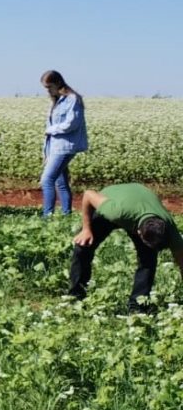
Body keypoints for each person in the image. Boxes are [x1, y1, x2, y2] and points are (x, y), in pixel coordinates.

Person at [69, 183, 183, 313]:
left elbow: (182, 261)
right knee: (82, 247)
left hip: (140, 198)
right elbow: (88, 194)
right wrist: (86, 229)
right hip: (113, 198)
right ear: (139, 233)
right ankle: (76, 297)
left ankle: (138, 306)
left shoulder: (169, 229)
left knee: (148, 259)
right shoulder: (116, 211)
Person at [41, 70, 88, 217]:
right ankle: (66, 215)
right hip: (55, 146)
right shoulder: (57, 100)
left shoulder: (72, 99)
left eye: (49, 87)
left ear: (58, 83)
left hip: (64, 147)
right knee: (60, 182)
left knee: (47, 180)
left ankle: (47, 216)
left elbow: (71, 124)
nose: (48, 91)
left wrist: (51, 129)